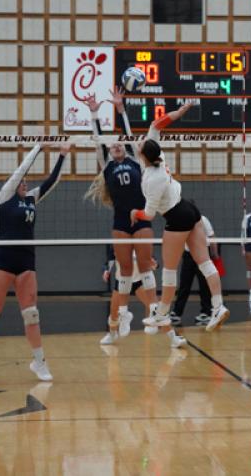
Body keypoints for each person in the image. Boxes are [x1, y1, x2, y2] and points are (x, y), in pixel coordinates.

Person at [0, 142, 69, 380]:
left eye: (26, 181)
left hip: (26, 260)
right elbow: (21, 169)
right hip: (3, 258)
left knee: (31, 313)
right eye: (22, 180)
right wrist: (39, 147)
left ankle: (39, 362)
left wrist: (62, 155)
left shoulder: (32, 199)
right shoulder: (5, 196)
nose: (25, 182)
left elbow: (52, 181)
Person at [130, 103, 229, 332]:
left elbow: (150, 214)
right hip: (191, 211)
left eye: (141, 143)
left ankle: (162, 314)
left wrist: (135, 213)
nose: (140, 140)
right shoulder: (158, 156)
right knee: (204, 262)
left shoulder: (151, 179)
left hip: (177, 217)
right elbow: (156, 124)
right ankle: (218, 306)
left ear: (143, 154)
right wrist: (181, 112)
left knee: (169, 269)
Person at [84, 88, 157, 338]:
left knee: (146, 266)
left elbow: (128, 135)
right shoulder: (106, 165)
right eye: (111, 144)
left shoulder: (136, 160)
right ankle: (123, 314)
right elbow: (98, 140)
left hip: (141, 218)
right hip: (120, 222)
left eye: (118, 143)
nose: (115, 145)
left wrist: (121, 110)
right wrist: (94, 113)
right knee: (125, 271)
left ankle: (155, 311)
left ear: (124, 147)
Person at [100, 246, 180, 345]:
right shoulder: (118, 244)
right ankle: (112, 335)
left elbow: (154, 261)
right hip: (121, 282)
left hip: (139, 282)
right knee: (114, 313)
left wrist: (155, 264)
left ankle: (173, 338)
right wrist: (105, 271)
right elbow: (108, 263)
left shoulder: (141, 244)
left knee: (157, 312)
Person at [171, 213, 219, 325]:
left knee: (204, 285)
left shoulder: (203, 219)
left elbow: (212, 237)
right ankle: (176, 313)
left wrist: (214, 254)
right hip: (188, 255)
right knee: (184, 285)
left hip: (202, 254)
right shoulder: (181, 219)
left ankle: (206, 313)